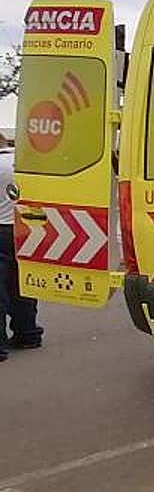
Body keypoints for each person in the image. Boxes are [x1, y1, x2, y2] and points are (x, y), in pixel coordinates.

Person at [0, 148, 43, 361]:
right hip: (25, 227)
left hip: (1, 229)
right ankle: (28, 333)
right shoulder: (23, 162)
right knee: (22, 283)